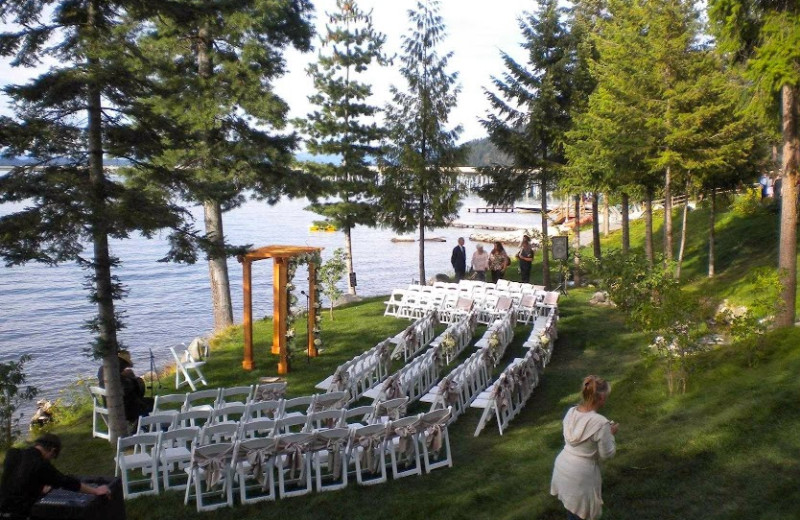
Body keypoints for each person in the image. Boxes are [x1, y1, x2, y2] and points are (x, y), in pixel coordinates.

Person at [551, 375, 618, 520]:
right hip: (581, 476)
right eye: (605, 396)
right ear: (600, 398)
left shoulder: (571, 412)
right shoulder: (601, 423)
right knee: (583, 515)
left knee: (572, 512)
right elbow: (607, 454)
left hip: (563, 468)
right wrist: (611, 435)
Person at [0, 434, 110, 519]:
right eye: (52, 457)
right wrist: (96, 491)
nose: (50, 461)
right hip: (19, 514)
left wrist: (38, 487)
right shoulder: (41, 465)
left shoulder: (13, 454)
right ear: (52, 450)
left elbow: (17, 479)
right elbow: (67, 482)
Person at [97, 350, 153, 426]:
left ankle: (140, 425)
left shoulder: (102, 369)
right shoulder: (117, 376)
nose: (125, 367)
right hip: (121, 408)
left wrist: (127, 376)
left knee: (144, 402)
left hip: (108, 405)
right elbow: (127, 391)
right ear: (120, 362)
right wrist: (131, 378)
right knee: (150, 403)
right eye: (125, 365)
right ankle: (141, 426)